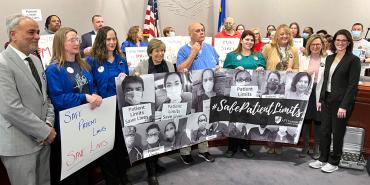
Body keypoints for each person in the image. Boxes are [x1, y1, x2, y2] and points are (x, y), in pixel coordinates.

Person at [0, 14, 56, 185]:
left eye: (38, 32)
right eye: (31, 32)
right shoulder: (2, 63)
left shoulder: (35, 60)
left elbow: (45, 98)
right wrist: (45, 131)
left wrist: (48, 124)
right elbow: (11, 108)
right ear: (13, 34)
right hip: (20, 146)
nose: (38, 37)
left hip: (44, 141)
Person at [46, 27, 102, 185]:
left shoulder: (83, 65)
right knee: (73, 172)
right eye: (72, 40)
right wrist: (84, 97)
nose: (77, 42)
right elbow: (57, 99)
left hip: (86, 123)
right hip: (68, 128)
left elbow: (92, 87)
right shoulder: (53, 69)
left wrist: (95, 95)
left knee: (87, 167)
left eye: (77, 39)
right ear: (61, 43)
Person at [309, 29, 361, 173]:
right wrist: (320, 99)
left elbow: (352, 85)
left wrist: (344, 106)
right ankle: (323, 159)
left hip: (341, 103)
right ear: (334, 41)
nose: (340, 43)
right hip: (327, 100)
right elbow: (325, 80)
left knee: (337, 133)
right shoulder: (330, 58)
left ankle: (334, 161)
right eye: (338, 40)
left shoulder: (353, 60)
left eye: (344, 40)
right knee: (324, 131)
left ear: (348, 42)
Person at [86, 26, 131, 185]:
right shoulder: (92, 60)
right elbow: (91, 85)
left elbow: (128, 84)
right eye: (108, 39)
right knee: (106, 148)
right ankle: (112, 180)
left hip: (120, 109)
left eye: (114, 39)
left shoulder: (121, 59)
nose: (112, 42)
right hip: (102, 110)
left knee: (120, 144)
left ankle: (123, 176)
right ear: (101, 41)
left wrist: (126, 79)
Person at [176, 22, 217, 164]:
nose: (201, 32)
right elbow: (180, 69)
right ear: (190, 33)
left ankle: (203, 150)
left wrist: (217, 68)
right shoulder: (183, 50)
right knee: (189, 121)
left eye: (203, 30)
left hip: (208, 93)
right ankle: (185, 152)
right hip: (191, 93)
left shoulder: (210, 48)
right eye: (198, 30)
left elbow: (217, 64)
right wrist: (193, 53)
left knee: (204, 120)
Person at [299, 34, 327, 159]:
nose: (315, 47)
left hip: (320, 92)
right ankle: (305, 147)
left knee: (318, 120)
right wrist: (305, 73)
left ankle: (316, 148)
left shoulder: (327, 58)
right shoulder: (303, 58)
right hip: (305, 91)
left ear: (322, 46)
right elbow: (298, 74)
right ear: (309, 45)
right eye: (313, 44)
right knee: (305, 120)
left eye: (318, 44)